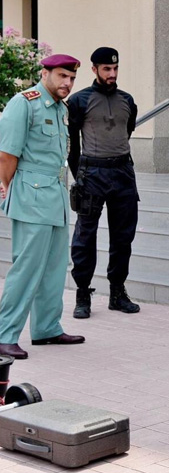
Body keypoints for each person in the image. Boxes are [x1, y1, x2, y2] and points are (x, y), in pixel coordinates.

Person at [0, 54, 86, 359]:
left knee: (54, 268)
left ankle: (47, 328)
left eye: (72, 78)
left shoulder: (60, 108)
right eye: (62, 76)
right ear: (45, 73)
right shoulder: (24, 103)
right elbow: (7, 155)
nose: (68, 83)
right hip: (30, 195)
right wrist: (10, 190)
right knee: (26, 269)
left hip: (54, 196)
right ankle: (5, 334)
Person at [68, 47, 141, 319]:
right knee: (85, 236)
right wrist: (81, 177)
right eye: (106, 69)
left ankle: (117, 293)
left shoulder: (127, 100)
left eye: (115, 68)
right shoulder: (79, 100)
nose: (112, 73)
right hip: (92, 172)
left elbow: (127, 131)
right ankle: (83, 293)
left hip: (122, 172)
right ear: (95, 69)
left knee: (123, 236)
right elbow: (73, 145)